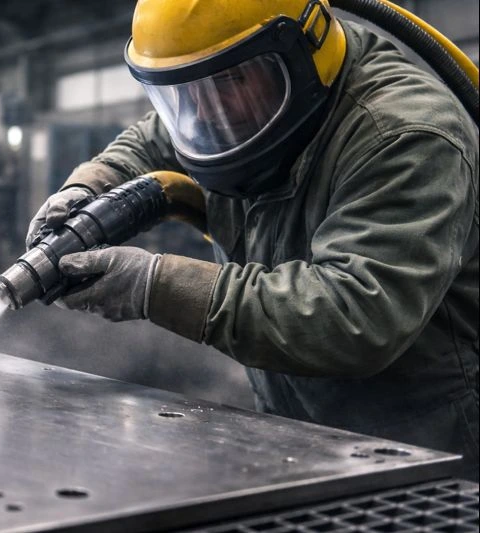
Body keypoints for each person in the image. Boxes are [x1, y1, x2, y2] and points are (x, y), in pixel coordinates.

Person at [27, 0, 479, 480]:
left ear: (301, 52)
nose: (205, 113)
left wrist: (153, 284)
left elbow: (354, 317)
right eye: (186, 92)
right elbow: (154, 137)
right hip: (301, 429)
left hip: (432, 452)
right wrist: (89, 186)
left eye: (230, 81)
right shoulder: (233, 101)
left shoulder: (405, 135)